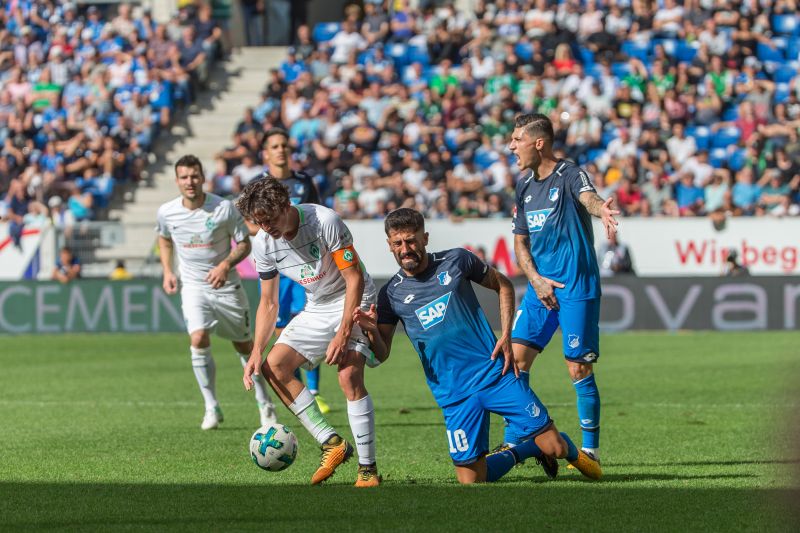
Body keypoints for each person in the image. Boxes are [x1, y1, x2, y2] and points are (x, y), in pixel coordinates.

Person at [352, 208, 601, 484]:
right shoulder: (391, 294)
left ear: (425, 237)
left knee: (554, 446)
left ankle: (560, 445)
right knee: (471, 480)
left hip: (494, 374)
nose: (405, 249)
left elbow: (503, 285)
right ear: (389, 245)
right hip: (454, 393)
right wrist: (372, 330)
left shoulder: (456, 260)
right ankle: (526, 449)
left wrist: (506, 335)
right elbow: (382, 354)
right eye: (398, 243)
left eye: (411, 241)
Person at [237, 177, 381, 487]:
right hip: (317, 306)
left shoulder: (324, 221)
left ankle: (368, 469)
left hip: (353, 297)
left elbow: (353, 278)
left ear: (286, 206)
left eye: (270, 219)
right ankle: (332, 444)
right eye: (259, 222)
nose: (266, 227)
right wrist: (256, 350)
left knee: (348, 376)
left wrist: (343, 333)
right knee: (272, 366)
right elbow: (268, 302)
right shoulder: (263, 242)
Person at [507, 114, 619, 463]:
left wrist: (601, 210)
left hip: (576, 287)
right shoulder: (524, 187)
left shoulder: (569, 174)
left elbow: (588, 197)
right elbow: (520, 244)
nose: (511, 147)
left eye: (516, 140)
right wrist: (536, 280)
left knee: (578, 368)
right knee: (513, 365)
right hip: (540, 290)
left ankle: (590, 451)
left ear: (538, 143)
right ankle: (518, 440)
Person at [156, 154, 277, 431]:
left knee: (245, 346)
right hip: (193, 286)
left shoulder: (223, 208)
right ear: (177, 181)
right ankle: (211, 406)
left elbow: (244, 244)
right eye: (184, 177)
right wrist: (167, 270)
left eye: (194, 176)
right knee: (197, 337)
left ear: (203, 177)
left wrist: (225, 264)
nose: (190, 182)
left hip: (226, 286)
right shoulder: (167, 212)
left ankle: (264, 403)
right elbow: (164, 239)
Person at [253, 128, 330, 414]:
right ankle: (297, 388)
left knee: (305, 319)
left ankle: (315, 391)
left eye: (284, 145)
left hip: (305, 263)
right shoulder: (257, 185)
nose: (281, 150)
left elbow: (315, 215)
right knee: (282, 329)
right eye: (274, 146)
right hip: (277, 265)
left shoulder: (303, 181)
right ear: (266, 153)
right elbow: (248, 223)